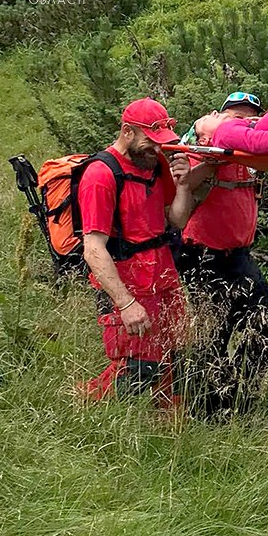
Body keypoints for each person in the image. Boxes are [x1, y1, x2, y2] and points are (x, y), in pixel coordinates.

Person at [77, 97, 198, 404]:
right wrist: (126, 303)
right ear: (127, 132)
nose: (157, 150)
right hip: (127, 283)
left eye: (162, 143)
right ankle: (86, 412)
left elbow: (176, 219)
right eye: (150, 141)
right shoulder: (100, 175)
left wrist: (183, 186)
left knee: (175, 357)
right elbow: (93, 249)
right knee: (137, 367)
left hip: (163, 276)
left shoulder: (154, 166)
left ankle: (168, 427)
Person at [170, 92, 268, 414]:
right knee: (213, 333)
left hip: (238, 255)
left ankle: (239, 397)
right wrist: (214, 158)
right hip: (204, 254)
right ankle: (207, 408)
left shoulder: (252, 151)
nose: (243, 123)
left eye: (250, 118)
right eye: (236, 117)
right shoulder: (205, 146)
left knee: (264, 325)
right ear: (218, 117)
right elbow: (186, 183)